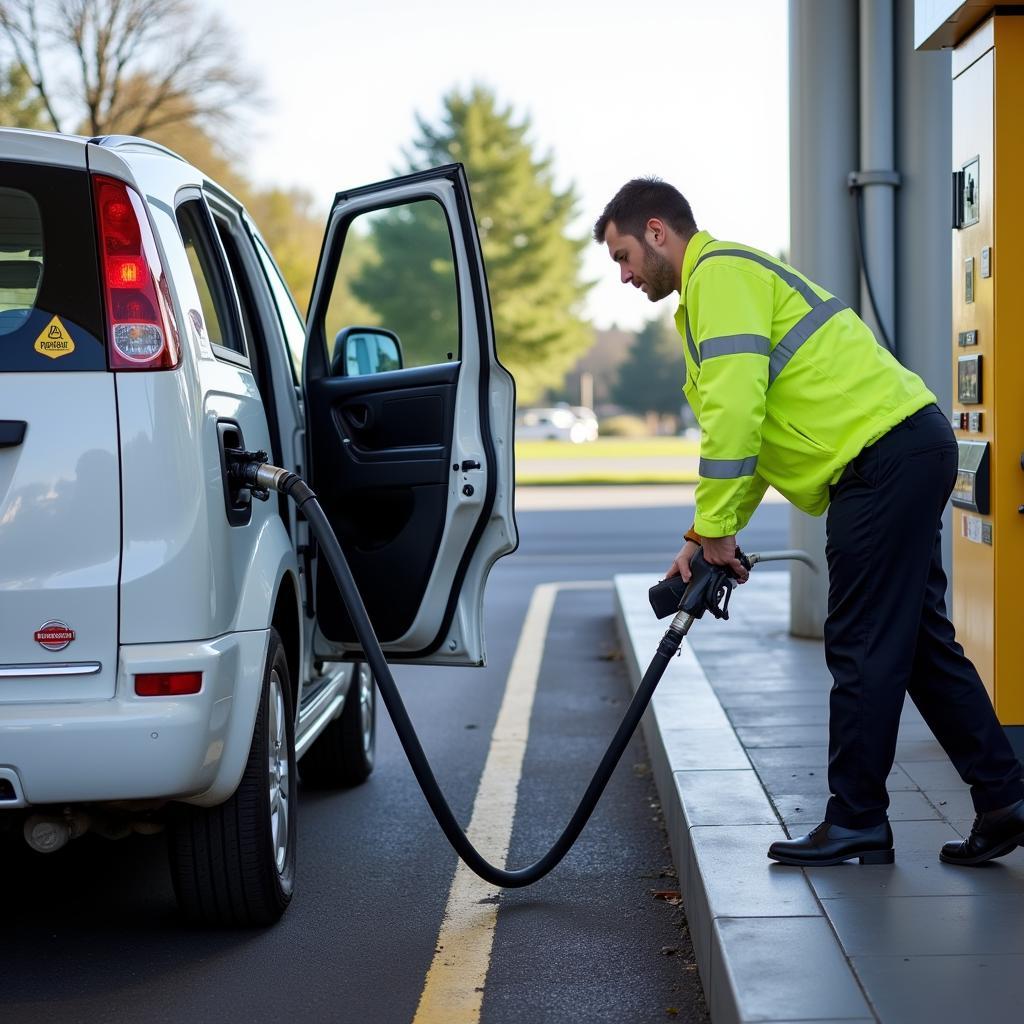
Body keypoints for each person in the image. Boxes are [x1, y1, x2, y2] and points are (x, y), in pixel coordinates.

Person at [594, 177, 1024, 867]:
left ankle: (857, 820)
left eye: (622, 256)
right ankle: (1005, 797)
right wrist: (703, 537)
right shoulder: (709, 293)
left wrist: (715, 532)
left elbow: (735, 416)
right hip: (901, 449)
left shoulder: (720, 276)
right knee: (915, 643)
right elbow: (753, 435)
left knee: (858, 641)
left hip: (880, 459)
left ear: (655, 230)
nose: (622, 275)